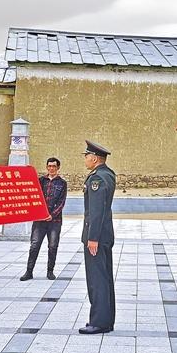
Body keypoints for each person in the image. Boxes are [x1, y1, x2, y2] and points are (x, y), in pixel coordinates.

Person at [79, 140, 116, 335]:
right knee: (105, 278)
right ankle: (106, 320)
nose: (85, 159)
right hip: (105, 234)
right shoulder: (108, 174)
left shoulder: (97, 179)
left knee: (97, 280)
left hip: (97, 237)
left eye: (86, 156)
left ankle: (99, 322)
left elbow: (96, 211)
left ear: (94, 158)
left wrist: (92, 238)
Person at [20, 157, 68, 281]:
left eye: (54, 166)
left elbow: (61, 202)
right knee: (34, 245)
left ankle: (50, 271)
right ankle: (29, 271)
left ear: (58, 168)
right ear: (47, 167)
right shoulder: (40, 181)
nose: (51, 168)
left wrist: (52, 215)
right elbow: (33, 196)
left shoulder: (62, 183)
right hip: (39, 221)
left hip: (54, 221)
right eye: (49, 166)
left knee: (53, 246)